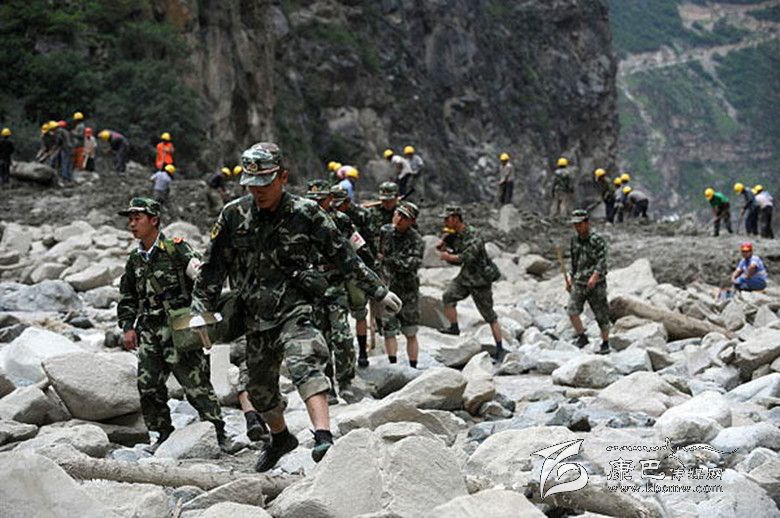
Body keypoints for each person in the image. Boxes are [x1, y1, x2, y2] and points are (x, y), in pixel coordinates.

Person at [190, 142, 401, 471]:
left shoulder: (307, 213)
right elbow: (212, 268)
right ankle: (280, 438)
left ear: (283, 177)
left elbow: (342, 255)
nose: (258, 191)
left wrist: (377, 291)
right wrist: (200, 312)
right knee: (259, 391)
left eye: (265, 183)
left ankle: (323, 438)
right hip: (253, 315)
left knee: (305, 360)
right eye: (251, 184)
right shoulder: (233, 215)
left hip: (296, 307)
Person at [116, 197, 226, 453]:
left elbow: (203, 278)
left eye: (137, 218)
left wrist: (201, 313)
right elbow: (128, 295)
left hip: (179, 327)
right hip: (149, 329)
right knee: (148, 385)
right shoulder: (135, 259)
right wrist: (127, 327)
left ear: (154, 220)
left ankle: (218, 433)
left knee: (195, 383)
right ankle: (162, 434)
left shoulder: (176, 249)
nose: (132, 224)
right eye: (130, 219)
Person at [305, 179, 360, 403]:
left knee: (342, 334)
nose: (316, 204)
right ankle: (327, 385)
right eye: (312, 200)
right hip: (313, 287)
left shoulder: (342, 220)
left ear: (330, 199)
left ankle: (345, 381)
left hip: (336, 284)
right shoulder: (301, 220)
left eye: (320, 199)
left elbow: (357, 249)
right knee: (321, 337)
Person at [436, 205, 505, 362]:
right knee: (448, 296)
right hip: (466, 277)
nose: (445, 222)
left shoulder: (474, 235)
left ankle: (500, 348)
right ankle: (454, 328)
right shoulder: (453, 235)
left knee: (489, 316)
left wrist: (448, 256)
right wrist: (445, 248)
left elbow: (468, 257)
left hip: (480, 279)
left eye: (447, 219)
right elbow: (457, 260)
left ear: (456, 218)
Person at [332, 185, 376, 367]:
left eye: (339, 203)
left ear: (347, 201)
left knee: (359, 310)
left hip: (355, 268)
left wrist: (370, 267)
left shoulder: (360, 215)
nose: (336, 207)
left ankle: (363, 352)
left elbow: (367, 242)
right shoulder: (327, 216)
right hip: (335, 269)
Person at [379, 201, 424, 367]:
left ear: (412, 221)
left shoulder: (416, 240)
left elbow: (411, 264)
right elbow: (379, 252)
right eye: (398, 214)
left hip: (408, 290)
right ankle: (393, 365)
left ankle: (413, 366)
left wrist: (388, 260)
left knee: (410, 331)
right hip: (389, 287)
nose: (399, 219)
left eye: (404, 217)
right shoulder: (385, 231)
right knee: (388, 329)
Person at [565, 209, 610, 355]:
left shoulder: (597, 240)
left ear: (586, 223)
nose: (577, 227)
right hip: (579, 282)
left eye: (580, 224)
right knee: (572, 310)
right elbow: (574, 261)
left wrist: (595, 276)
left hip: (596, 283)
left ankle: (605, 343)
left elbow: (602, 260)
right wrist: (571, 279)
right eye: (575, 225)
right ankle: (582, 336)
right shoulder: (574, 240)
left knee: (601, 313)